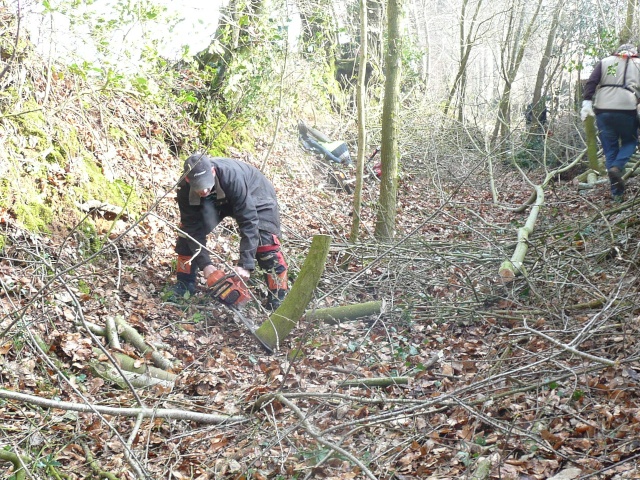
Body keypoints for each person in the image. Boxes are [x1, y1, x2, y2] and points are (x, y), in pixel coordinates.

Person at [169, 153, 289, 310]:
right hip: (215, 200)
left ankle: (278, 298)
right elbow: (192, 227)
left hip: (255, 193)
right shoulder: (184, 189)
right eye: (198, 186)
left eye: (206, 184)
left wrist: (245, 263)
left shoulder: (232, 177)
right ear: (187, 180)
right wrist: (206, 264)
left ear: (212, 172)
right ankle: (185, 284)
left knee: (265, 243)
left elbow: (249, 221)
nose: (203, 190)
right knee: (186, 236)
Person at [581, 42, 640, 201]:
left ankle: (617, 194)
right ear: (634, 52)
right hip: (627, 109)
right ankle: (617, 167)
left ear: (617, 52)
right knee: (630, 141)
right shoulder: (638, 64)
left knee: (610, 150)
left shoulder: (606, 62)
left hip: (603, 110)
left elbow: (592, 82)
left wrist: (586, 102)